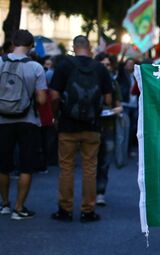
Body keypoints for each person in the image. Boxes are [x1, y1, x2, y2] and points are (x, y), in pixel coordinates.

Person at [49, 35, 113, 222]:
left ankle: (65, 209)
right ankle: (88, 210)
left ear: (74, 47)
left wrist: (56, 116)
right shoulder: (100, 68)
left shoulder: (64, 66)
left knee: (67, 167)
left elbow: (53, 95)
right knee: (90, 168)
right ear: (89, 48)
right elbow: (108, 99)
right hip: (92, 126)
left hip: (68, 124)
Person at [0, 29, 47, 219]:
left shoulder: (0, 62)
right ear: (30, 46)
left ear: (12, 42)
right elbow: (42, 100)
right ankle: (19, 208)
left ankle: (4, 204)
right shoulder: (36, 67)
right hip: (28, 121)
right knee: (26, 166)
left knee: (3, 165)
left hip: (2, 120)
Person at [95, 53, 123, 207]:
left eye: (108, 65)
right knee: (91, 161)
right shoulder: (91, 81)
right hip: (92, 126)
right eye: (102, 64)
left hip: (108, 127)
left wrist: (112, 111)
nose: (105, 67)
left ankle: (100, 192)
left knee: (104, 162)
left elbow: (119, 106)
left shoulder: (113, 84)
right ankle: (89, 192)